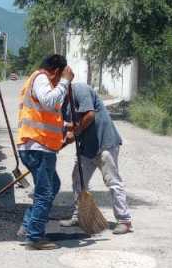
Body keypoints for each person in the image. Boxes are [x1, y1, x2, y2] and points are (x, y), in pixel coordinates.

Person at [16, 55, 73, 250]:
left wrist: (65, 125)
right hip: (37, 146)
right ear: (57, 71)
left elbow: (44, 112)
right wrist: (65, 81)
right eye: (61, 76)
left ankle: (28, 224)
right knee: (44, 193)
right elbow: (49, 102)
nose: (59, 82)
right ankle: (35, 237)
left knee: (52, 186)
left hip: (40, 146)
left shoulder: (39, 81)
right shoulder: (41, 78)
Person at [61, 82, 133, 234]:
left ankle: (124, 220)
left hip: (104, 143)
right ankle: (79, 216)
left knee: (112, 181)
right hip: (87, 147)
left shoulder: (80, 90)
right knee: (78, 180)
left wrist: (75, 132)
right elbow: (69, 132)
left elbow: (89, 115)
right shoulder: (63, 105)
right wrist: (58, 146)